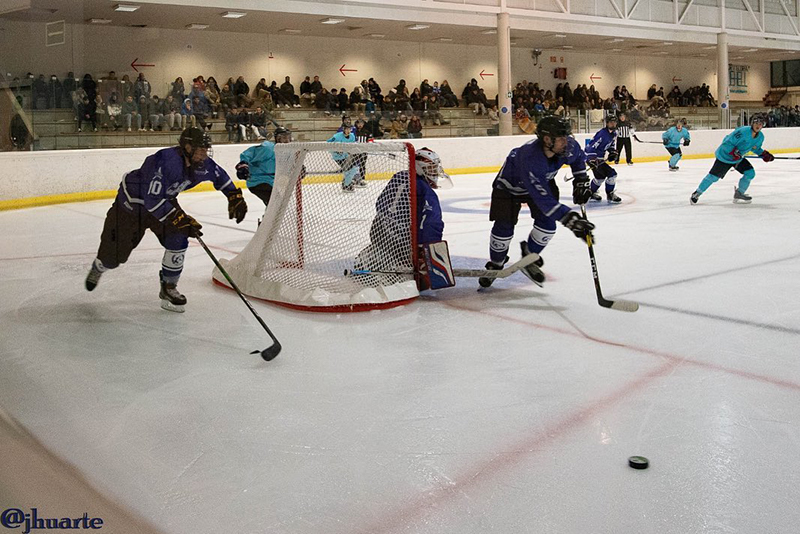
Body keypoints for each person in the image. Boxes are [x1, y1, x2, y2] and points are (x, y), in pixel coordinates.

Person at [84, 128, 248, 312]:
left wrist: (234, 196)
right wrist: (178, 217)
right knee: (113, 258)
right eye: (201, 149)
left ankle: (169, 287)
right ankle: (99, 266)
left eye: (206, 149)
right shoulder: (165, 161)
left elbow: (220, 176)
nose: (204, 154)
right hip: (131, 209)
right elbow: (151, 200)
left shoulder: (201, 163)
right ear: (187, 147)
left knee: (179, 237)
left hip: (163, 201)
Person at [478, 116, 595, 288]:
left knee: (548, 225)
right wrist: (570, 219)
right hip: (508, 187)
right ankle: (496, 263)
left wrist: (581, 181)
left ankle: (529, 257)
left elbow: (577, 159)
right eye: (561, 138)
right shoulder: (530, 158)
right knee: (504, 227)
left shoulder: (567, 146)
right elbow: (544, 200)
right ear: (547, 139)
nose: (566, 141)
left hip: (542, 181)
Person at [355, 148, 451, 290]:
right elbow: (431, 223)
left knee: (382, 250)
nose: (434, 172)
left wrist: (391, 222)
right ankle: (401, 270)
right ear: (419, 167)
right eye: (431, 168)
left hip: (379, 232)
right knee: (417, 277)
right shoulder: (426, 190)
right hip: (403, 242)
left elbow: (380, 203)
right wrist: (427, 251)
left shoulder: (399, 176)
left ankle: (371, 261)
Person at [690, 114, 774, 205]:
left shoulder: (760, 137)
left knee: (750, 173)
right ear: (752, 124)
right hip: (725, 156)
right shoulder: (742, 131)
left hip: (738, 159)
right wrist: (733, 151)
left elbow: (755, 148)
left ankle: (739, 193)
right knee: (713, 177)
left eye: (761, 124)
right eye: (756, 123)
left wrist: (764, 155)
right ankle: (697, 193)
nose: (758, 126)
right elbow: (727, 141)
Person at [236, 126, 293, 209]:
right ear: (277, 138)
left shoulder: (287, 152)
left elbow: (289, 167)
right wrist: (243, 166)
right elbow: (248, 154)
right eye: (284, 138)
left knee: (278, 205)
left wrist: (299, 169)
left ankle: (267, 220)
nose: (287, 141)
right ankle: (268, 220)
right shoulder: (268, 148)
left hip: (270, 183)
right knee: (276, 204)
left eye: (288, 138)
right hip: (257, 182)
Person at [585, 114, 622, 203]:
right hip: (594, 159)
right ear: (607, 123)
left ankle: (591, 193)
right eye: (611, 122)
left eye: (614, 122)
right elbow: (590, 147)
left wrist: (612, 152)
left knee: (600, 177)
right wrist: (592, 159)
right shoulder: (602, 134)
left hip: (599, 159)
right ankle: (610, 194)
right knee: (612, 174)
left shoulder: (613, 133)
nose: (613, 124)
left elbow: (610, 145)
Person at [327, 124, 361, 191]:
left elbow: (352, 145)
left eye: (349, 129)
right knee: (348, 170)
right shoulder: (337, 136)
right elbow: (328, 144)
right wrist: (336, 151)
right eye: (347, 129)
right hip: (338, 157)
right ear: (343, 129)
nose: (348, 131)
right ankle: (346, 184)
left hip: (347, 156)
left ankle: (346, 184)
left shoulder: (352, 136)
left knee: (353, 169)